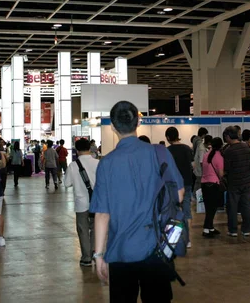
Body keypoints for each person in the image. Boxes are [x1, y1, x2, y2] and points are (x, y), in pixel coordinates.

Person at [91, 101, 184, 302]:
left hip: (121, 251)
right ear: (138, 122)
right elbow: (180, 193)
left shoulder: (106, 163)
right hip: (157, 248)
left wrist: (98, 255)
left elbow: (102, 214)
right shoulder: (159, 153)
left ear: (113, 127)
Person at [64, 138, 99, 267]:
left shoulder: (73, 165)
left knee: (83, 230)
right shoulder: (97, 163)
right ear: (89, 148)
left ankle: (86, 258)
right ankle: (95, 252)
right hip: (97, 203)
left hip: (81, 204)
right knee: (96, 228)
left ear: (77, 150)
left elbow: (67, 183)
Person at [222, 126, 250, 238]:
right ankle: (246, 229)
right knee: (246, 206)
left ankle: (233, 230)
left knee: (232, 207)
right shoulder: (247, 147)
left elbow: (226, 169)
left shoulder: (228, 151)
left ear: (228, 136)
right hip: (246, 181)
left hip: (233, 182)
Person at [165, 127, 194, 248]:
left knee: (172, 211)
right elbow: (192, 166)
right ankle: (187, 240)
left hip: (172, 185)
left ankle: (173, 239)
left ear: (167, 138)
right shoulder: (187, 148)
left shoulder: (167, 151)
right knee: (186, 210)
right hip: (186, 183)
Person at [201, 137, 224, 238]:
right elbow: (221, 173)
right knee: (212, 208)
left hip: (204, 183)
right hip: (214, 184)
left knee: (208, 207)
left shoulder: (206, 155)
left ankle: (210, 227)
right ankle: (206, 229)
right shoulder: (219, 157)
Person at [193, 127, 209, 193]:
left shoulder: (194, 139)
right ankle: (195, 198)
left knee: (197, 183)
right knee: (198, 184)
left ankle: (195, 198)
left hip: (196, 163)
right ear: (203, 134)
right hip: (199, 167)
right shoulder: (200, 143)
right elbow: (201, 159)